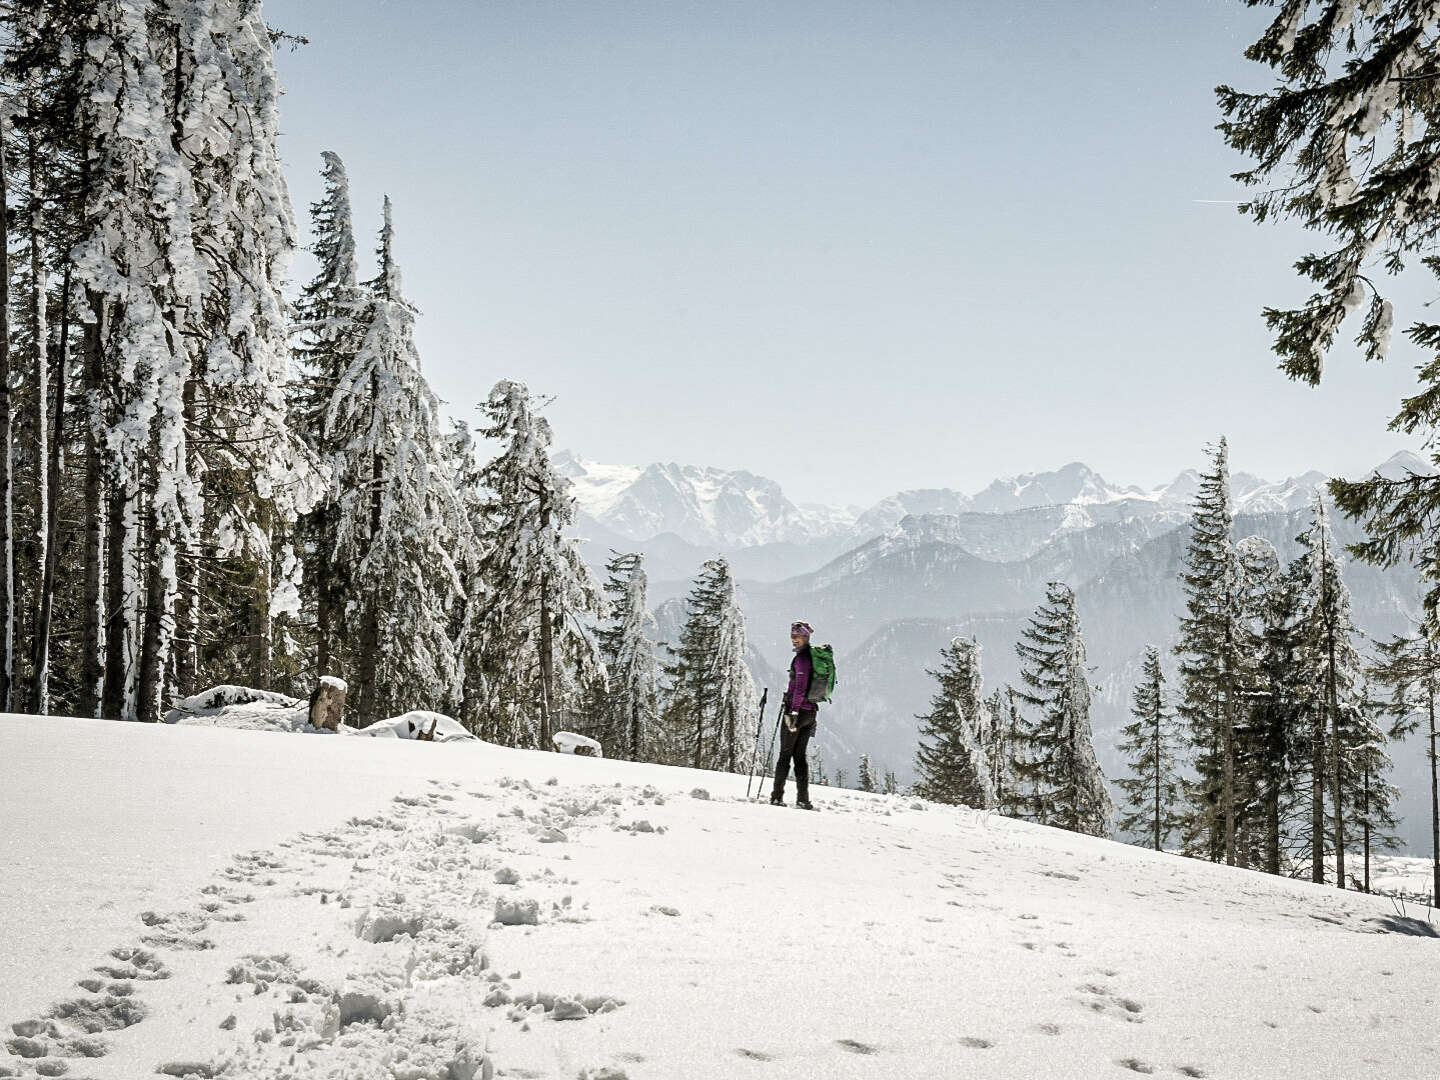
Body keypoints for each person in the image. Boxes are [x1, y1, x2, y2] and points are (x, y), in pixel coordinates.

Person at [772, 620, 820, 809]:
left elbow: (800, 689)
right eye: (792, 636)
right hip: (811, 713)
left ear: (806, 637)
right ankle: (803, 799)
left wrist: (793, 712)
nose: (794, 640)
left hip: (797, 712)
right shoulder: (812, 657)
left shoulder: (801, 659)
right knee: (800, 757)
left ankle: (776, 797)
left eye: (797, 636)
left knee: (785, 756)